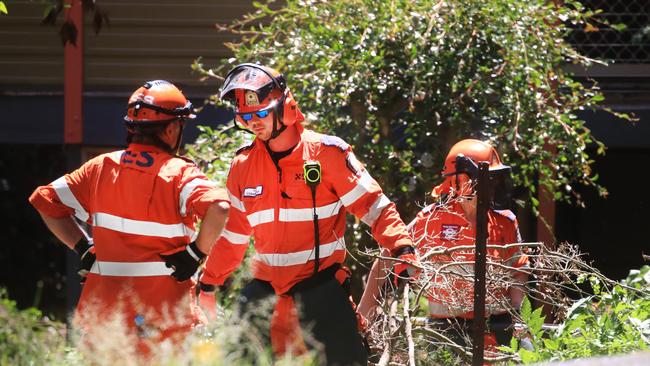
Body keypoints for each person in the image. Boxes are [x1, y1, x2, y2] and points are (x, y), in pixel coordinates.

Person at [197, 63, 416, 365]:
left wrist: (401, 247)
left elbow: (373, 206)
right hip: (266, 291)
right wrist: (209, 281)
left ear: (285, 107)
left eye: (260, 114)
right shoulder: (242, 166)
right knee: (238, 358)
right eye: (245, 118)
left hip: (320, 287)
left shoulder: (327, 153)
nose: (253, 124)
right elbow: (234, 234)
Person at [28, 80, 230, 356]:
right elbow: (219, 207)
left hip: (107, 322)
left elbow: (45, 201)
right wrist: (196, 254)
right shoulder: (178, 174)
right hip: (165, 319)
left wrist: (82, 247)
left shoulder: (100, 167)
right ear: (172, 129)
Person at [359, 139, 529, 351]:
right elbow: (388, 257)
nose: (494, 185)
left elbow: (517, 270)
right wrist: (364, 315)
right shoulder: (431, 219)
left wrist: (518, 316)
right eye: (489, 179)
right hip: (445, 333)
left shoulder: (505, 222)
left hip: (496, 329)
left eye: (495, 179)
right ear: (463, 180)